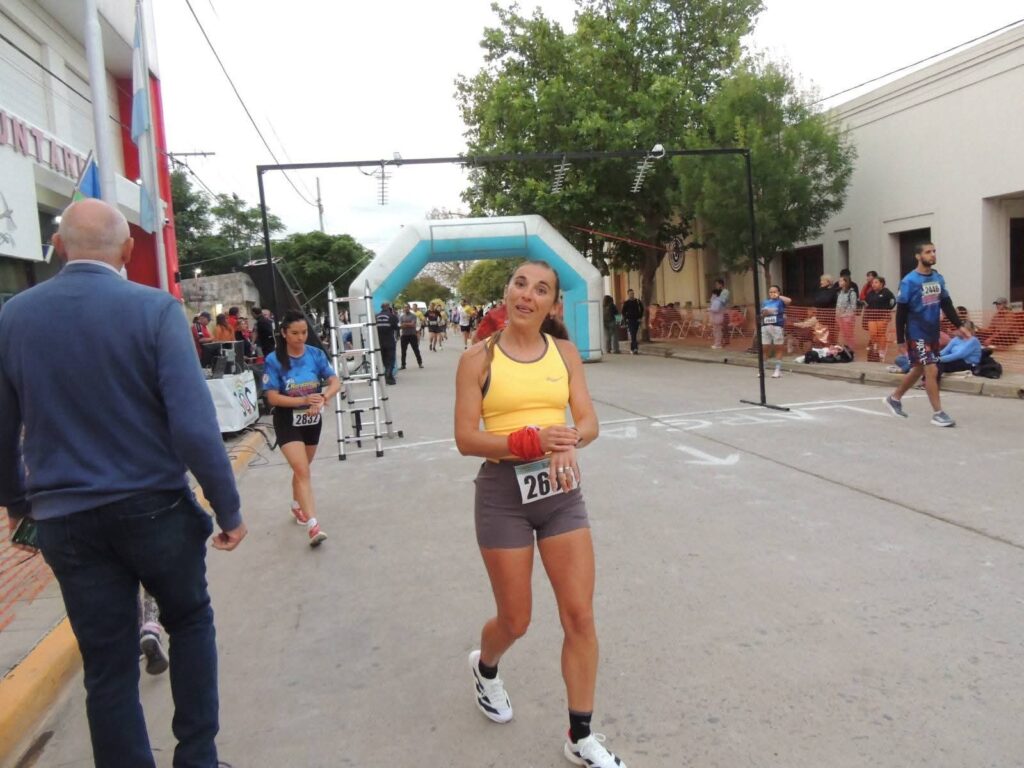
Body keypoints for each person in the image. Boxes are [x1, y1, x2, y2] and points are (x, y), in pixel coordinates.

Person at [0, 198, 247, 768]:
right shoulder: (155, 310)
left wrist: (17, 504)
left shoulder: (14, 316)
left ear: (58, 247)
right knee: (189, 621)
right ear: (130, 250)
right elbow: (194, 425)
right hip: (155, 508)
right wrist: (227, 507)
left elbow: (2, 428)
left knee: (107, 663)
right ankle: (197, 758)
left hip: (66, 521)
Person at [454, 260, 627, 768]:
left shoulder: (565, 353)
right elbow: (466, 438)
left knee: (580, 616)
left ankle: (581, 736)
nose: (527, 295)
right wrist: (528, 441)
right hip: (502, 496)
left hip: (560, 493)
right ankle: (485, 667)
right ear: (507, 292)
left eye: (541, 289)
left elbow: (589, 420)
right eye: (520, 284)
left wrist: (569, 440)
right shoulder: (477, 359)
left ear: (553, 304)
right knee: (516, 619)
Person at [262, 310, 340, 547]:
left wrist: (323, 397)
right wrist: (303, 400)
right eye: (295, 333)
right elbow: (272, 397)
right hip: (287, 420)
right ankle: (313, 525)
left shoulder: (315, 354)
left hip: (312, 420)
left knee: (303, 468)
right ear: (284, 333)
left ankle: (297, 505)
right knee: (302, 470)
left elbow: (335, 381)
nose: (300, 337)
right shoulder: (273, 360)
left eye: (304, 332)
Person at [884, 242, 970, 427]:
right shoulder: (909, 281)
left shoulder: (938, 278)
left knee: (918, 369)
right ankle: (938, 413)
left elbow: (946, 303)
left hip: (933, 333)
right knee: (931, 369)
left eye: (934, 251)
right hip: (916, 333)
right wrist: (900, 339)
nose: (932, 255)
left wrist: (959, 325)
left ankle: (895, 398)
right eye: (928, 252)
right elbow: (901, 312)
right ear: (918, 256)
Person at [759, 284, 791, 378]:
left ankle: (777, 370)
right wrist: (764, 313)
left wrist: (778, 296)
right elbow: (761, 315)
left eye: (774, 291)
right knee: (764, 348)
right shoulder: (765, 302)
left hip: (777, 326)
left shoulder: (781, 301)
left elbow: (789, 301)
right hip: (766, 326)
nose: (772, 293)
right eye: (770, 292)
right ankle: (763, 369)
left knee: (778, 348)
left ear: (778, 292)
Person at [863, 276, 896, 362]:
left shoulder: (887, 292)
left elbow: (893, 302)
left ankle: (881, 351)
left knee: (881, 334)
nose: (873, 284)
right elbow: (866, 303)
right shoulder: (870, 293)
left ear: (881, 284)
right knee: (873, 334)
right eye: (873, 283)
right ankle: (875, 349)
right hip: (871, 317)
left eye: (876, 282)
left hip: (882, 317)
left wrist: (887, 309)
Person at [375, 302, 399, 385]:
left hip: (379, 341)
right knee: (391, 358)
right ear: (389, 307)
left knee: (384, 358)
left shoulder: (376, 316)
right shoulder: (392, 316)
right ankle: (388, 375)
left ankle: (388, 375)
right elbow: (396, 327)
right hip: (389, 341)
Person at [835, 274, 859, 346]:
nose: (839, 282)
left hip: (848, 317)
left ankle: (851, 348)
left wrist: (846, 314)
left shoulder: (852, 293)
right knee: (844, 334)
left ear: (846, 282)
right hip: (839, 317)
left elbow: (853, 306)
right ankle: (846, 347)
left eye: (841, 281)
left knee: (849, 334)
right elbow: (838, 305)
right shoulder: (839, 292)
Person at [399, 304, 424, 369]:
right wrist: (407, 324)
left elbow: (413, 324)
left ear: (409, 308)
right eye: (405, 307)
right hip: (404, 335)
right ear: (403, 308)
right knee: (403, 351)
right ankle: (403, 365)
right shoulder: (401, 316)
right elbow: (400, 326)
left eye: (407, 307)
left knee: (416, 350)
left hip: (412, 335)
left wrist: (404, 324)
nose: (406, 308)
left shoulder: (413, 316)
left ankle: (420, 363)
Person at [621, 289, 643, 355]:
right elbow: (623, 311)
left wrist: (640, 317)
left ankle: (632, 348)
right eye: (630, 294)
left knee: (635, 334)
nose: (632, 295)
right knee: (633, 334)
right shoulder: (626, 303)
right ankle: (635, 348)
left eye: (633, 293)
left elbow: (642, 309)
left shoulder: (637, 301)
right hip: (630, 320)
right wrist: (626, 318)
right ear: (628, 294)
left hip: (637, 320)